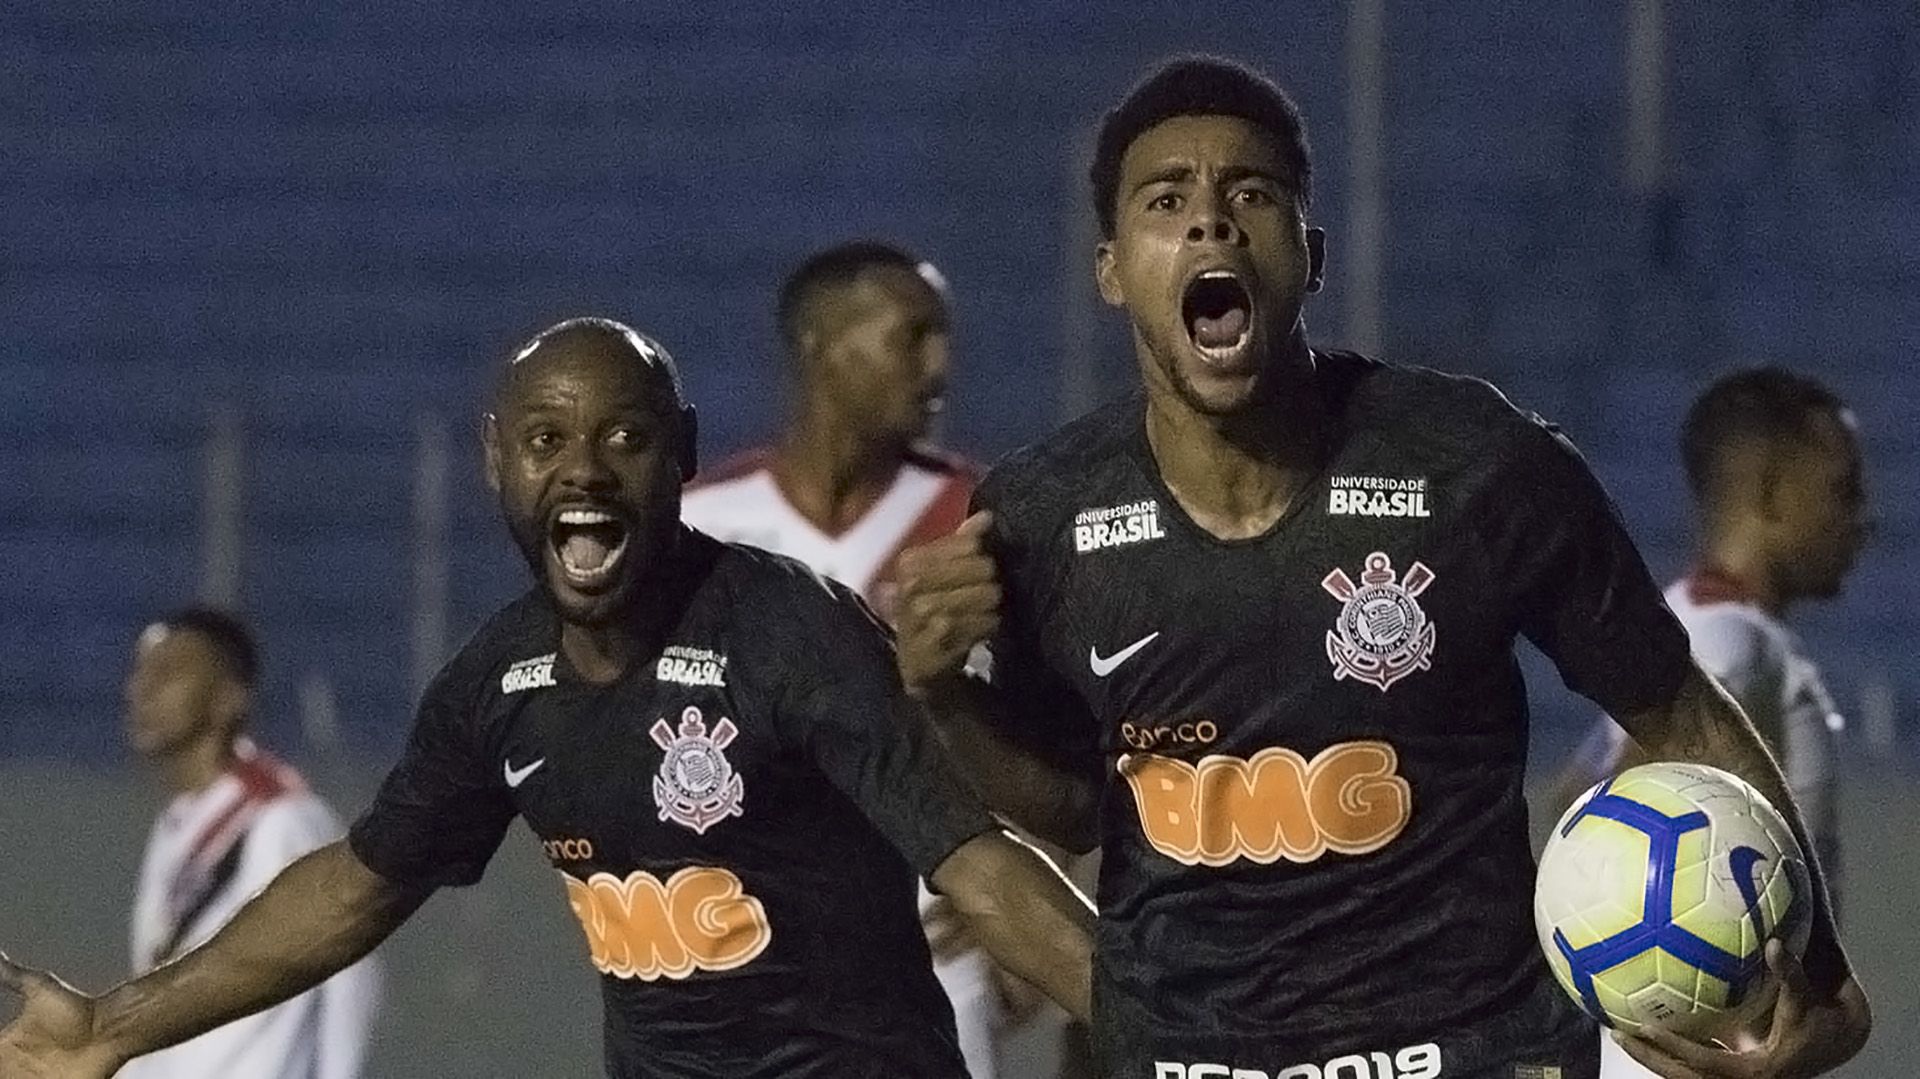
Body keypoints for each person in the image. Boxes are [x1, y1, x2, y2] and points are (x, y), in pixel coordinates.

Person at [891, 56, 1871, 1079]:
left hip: (1478, 1051)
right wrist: (941, 696)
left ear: (1309, 255)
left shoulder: (1475, 462)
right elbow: (1073, 803)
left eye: (1252, 194)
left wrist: (1826, 974)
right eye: (1166, 197)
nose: (1211, 223)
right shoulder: (1042, 512)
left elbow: (1678, 707)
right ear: (1110, 267)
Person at [0, 317, 1094, 1079]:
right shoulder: (500, 681)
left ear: (683, 457)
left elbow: (981, 864)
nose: (583, 469)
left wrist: (1163, 1030)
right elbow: (353, 889)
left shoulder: (789, 630)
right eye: (546, 440)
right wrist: (109, 1022)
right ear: (496, 464)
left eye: (624, 436)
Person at [682, 241, 1041, 1079]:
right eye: (912, 335)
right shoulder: (698, 529)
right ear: (821, 343)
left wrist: (1040, 886)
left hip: (923, 963)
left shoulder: (979, 519)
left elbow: (1058, 729)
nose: (939, 364)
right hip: (731, 971)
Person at [1550, 368, 1870, 1078]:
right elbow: (1630, 800)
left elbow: (1574, 791)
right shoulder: (1731, 639)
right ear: (1772, 494)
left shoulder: (1679, 625)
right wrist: (1728, 1010)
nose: (1862, 517)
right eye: (1843, 490)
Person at [120, 607, 380, 1079]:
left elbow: (349, 976)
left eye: (169, 671)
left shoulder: (281, 819)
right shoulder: (176, 824)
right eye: (141, 670)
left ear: (228, 699)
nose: (143, 688)